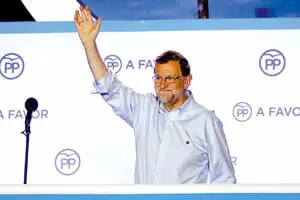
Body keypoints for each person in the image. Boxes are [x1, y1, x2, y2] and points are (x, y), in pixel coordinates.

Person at [74, 5, 236, 184]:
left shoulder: (206, 121)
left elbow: (224, 181)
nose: (163, 84)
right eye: (158, 77)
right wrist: (89, 45)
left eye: (169, 78)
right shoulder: (143, 109)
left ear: (186, 80)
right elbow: (109, 87)